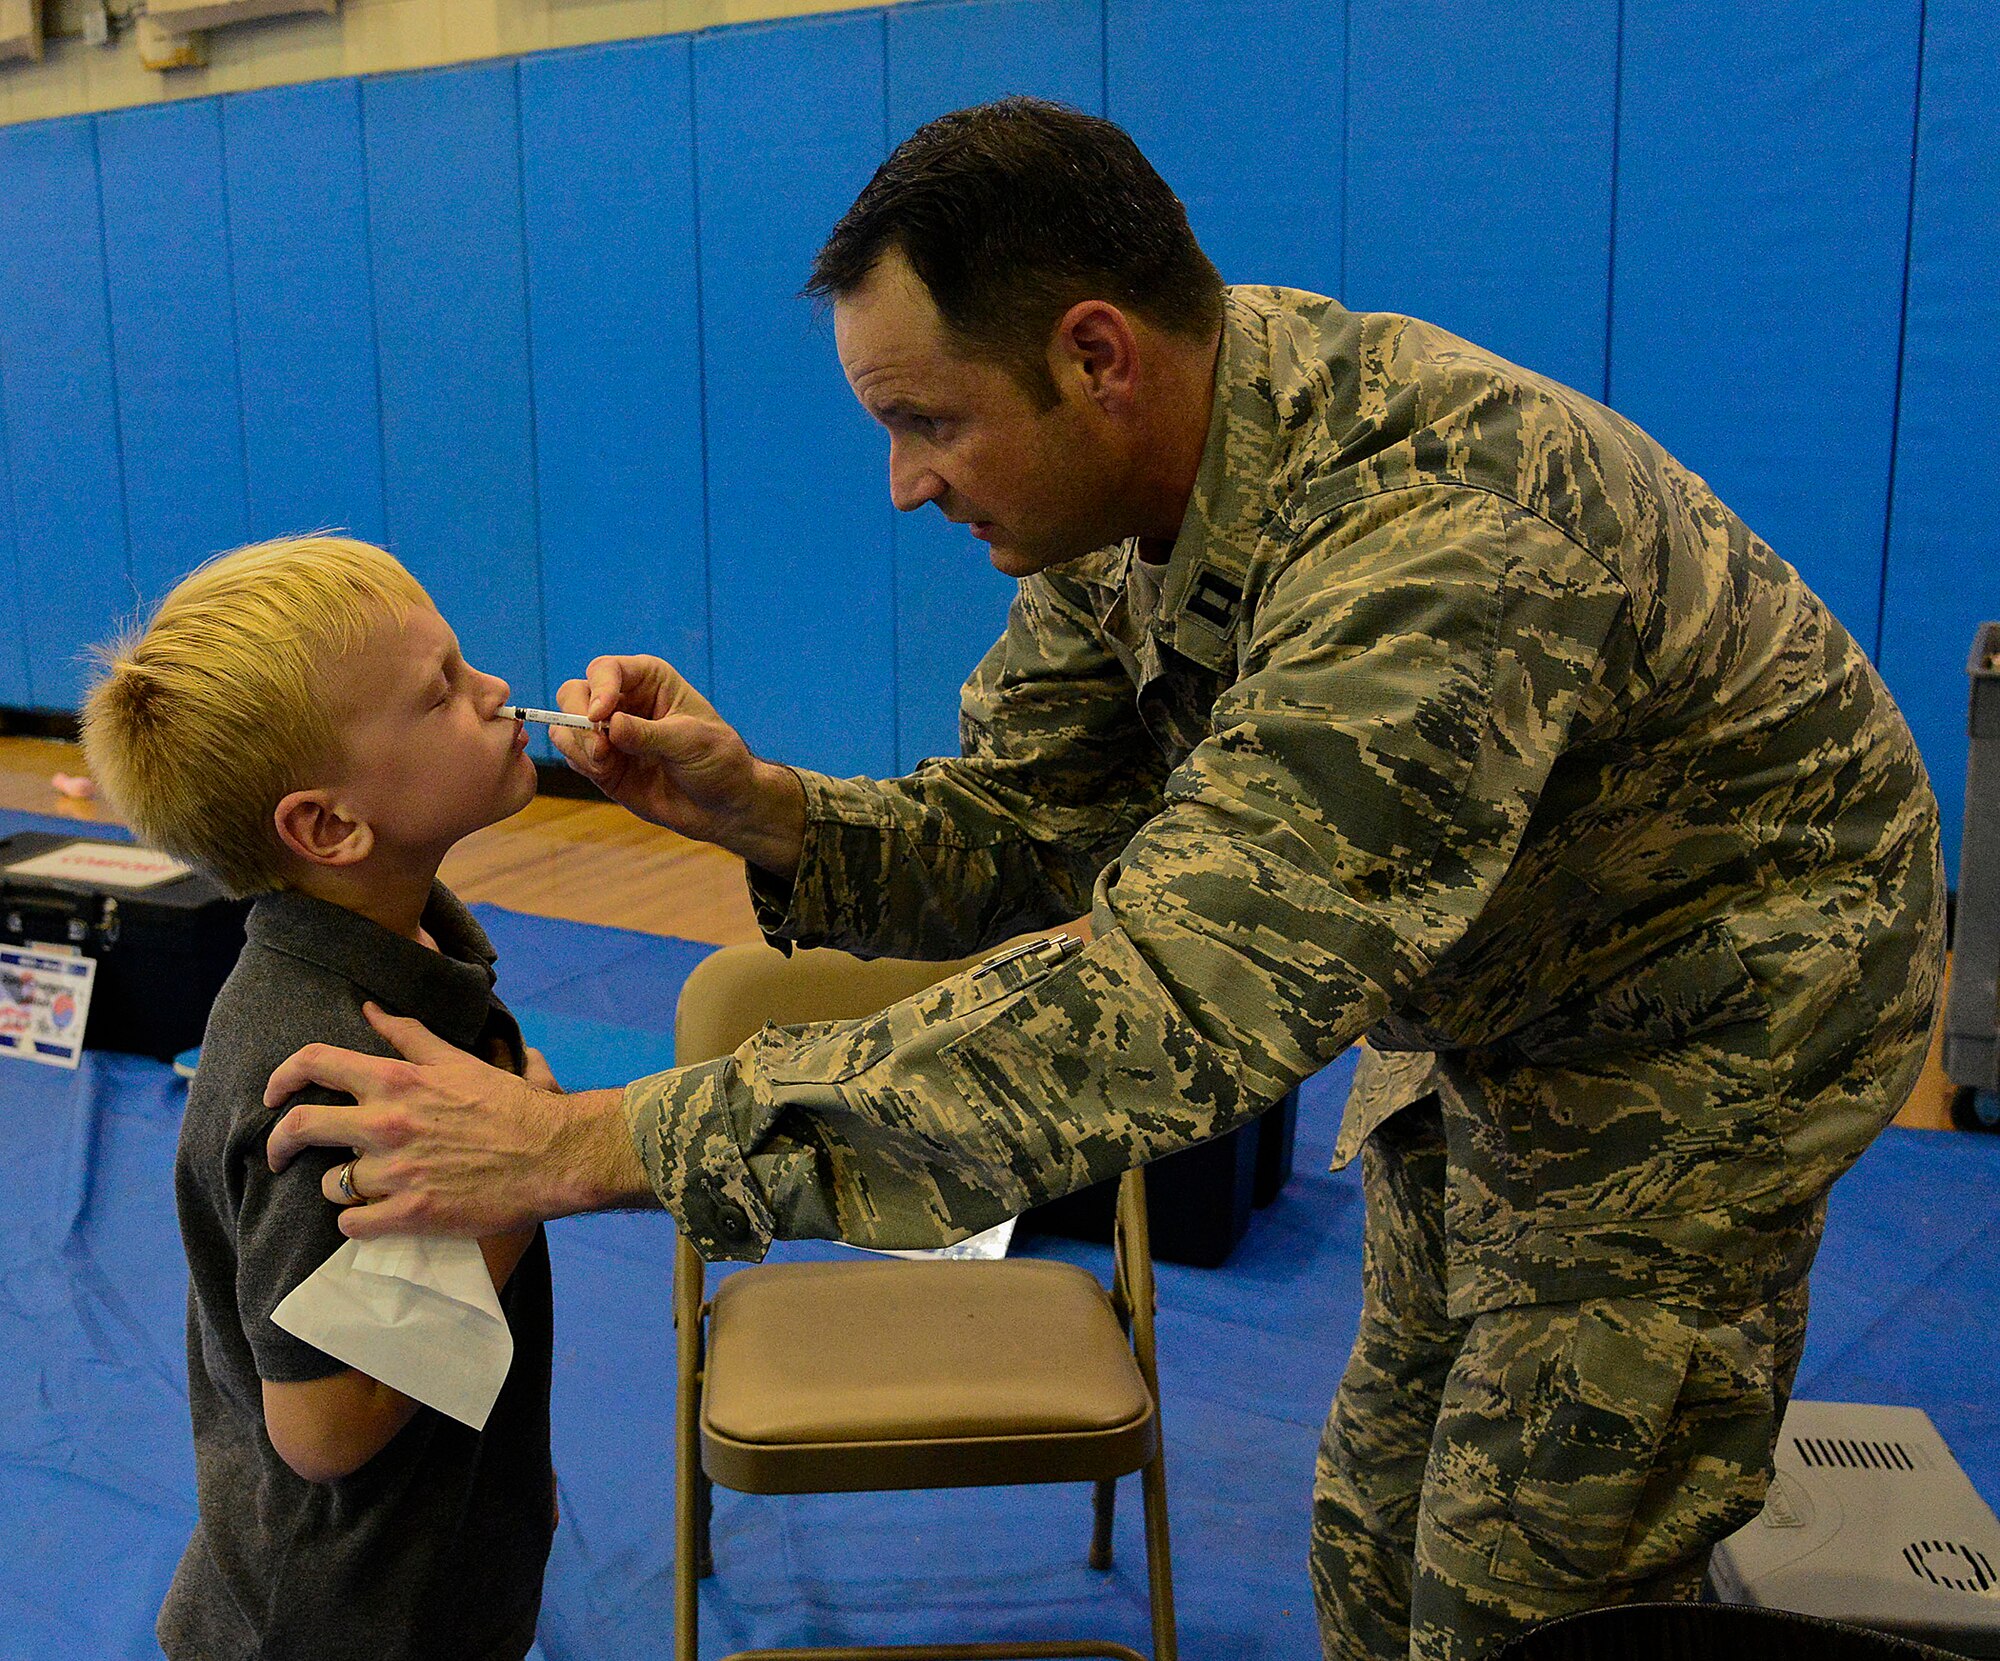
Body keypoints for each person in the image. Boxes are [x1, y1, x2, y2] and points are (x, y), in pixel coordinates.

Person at [261, 102, 1945, 1661]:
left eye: (928, 421)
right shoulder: (1141, 493)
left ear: (1094, 357)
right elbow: (1022, 834)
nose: (905, 481)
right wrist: (772, 817)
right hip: (1494, 974)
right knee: (1381, 1521)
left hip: (1708, 1011)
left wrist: (596, 1141)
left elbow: (1161, 1010)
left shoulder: (1435, 542)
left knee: (1531, 1586)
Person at [82, 535, 557, 1661]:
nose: (493, 691)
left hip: (434, 1557)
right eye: (439, 690)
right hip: (343, 1617)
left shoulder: (409, 957)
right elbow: (323, 1422)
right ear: (330, 826)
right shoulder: (325, 1068)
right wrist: (519, 1195)